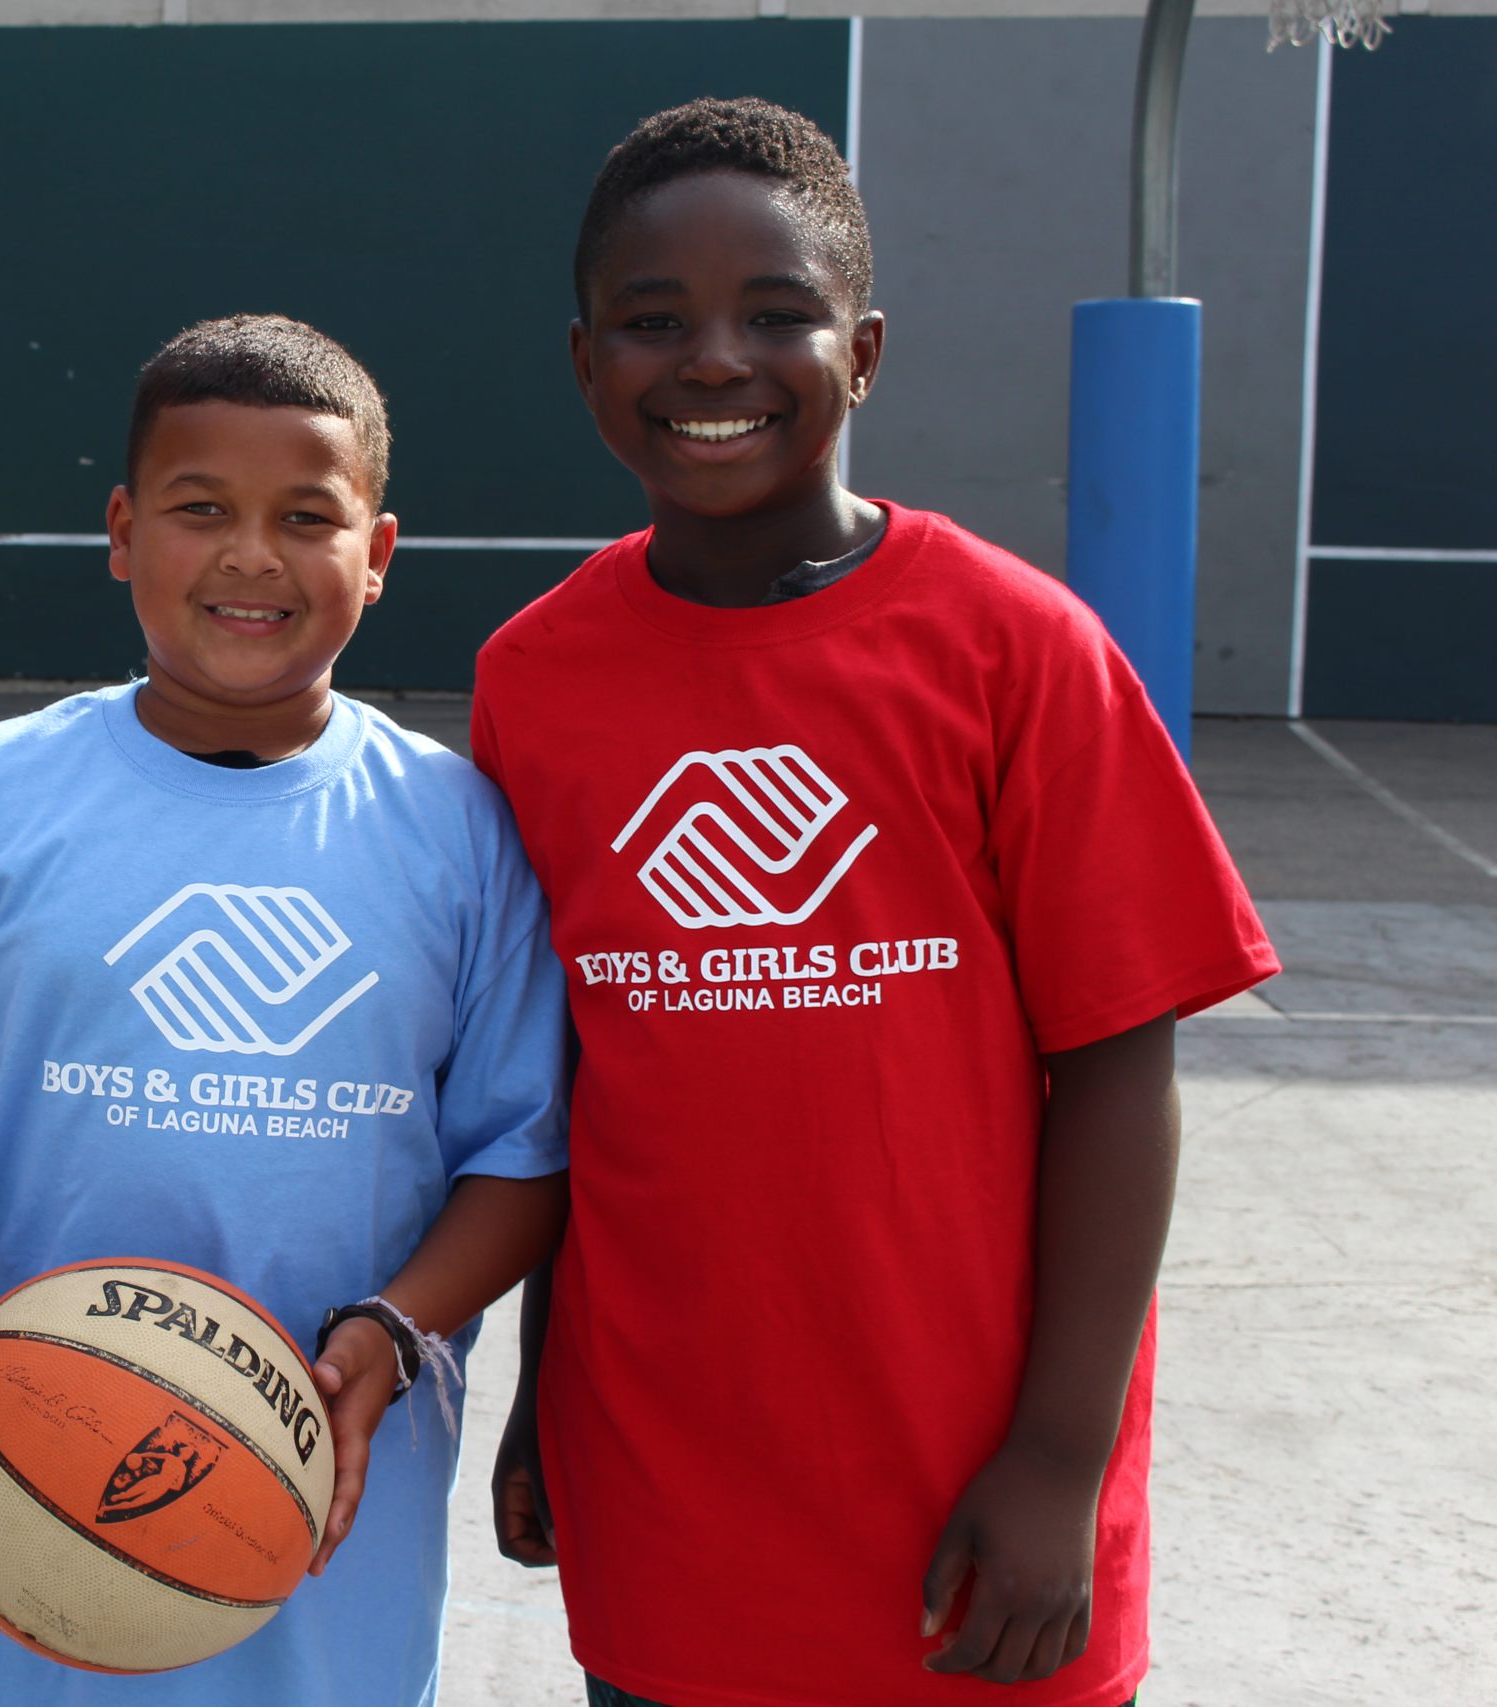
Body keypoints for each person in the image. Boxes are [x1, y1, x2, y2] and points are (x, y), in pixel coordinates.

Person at [473, 99, 1279, 1707]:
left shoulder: (1015, 648)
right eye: (654, 322)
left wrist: (1060, 1458)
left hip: (980, 1528)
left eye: (778, 316)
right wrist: (537, 1392)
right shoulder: (534, 679)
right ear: (584, 366)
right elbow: (559, 1088)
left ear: (868, 353)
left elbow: (1122, 1071)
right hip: (668, 1500)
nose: (714, 360)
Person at [0, 313, 570, 1707]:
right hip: (28, 1492)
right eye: (202, 511)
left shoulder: (458, 830)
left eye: (309, 516)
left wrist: (392, 1324)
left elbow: (519, 1157)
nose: (253, 555)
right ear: (122, 531)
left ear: (379, 552)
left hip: (325, 1543)